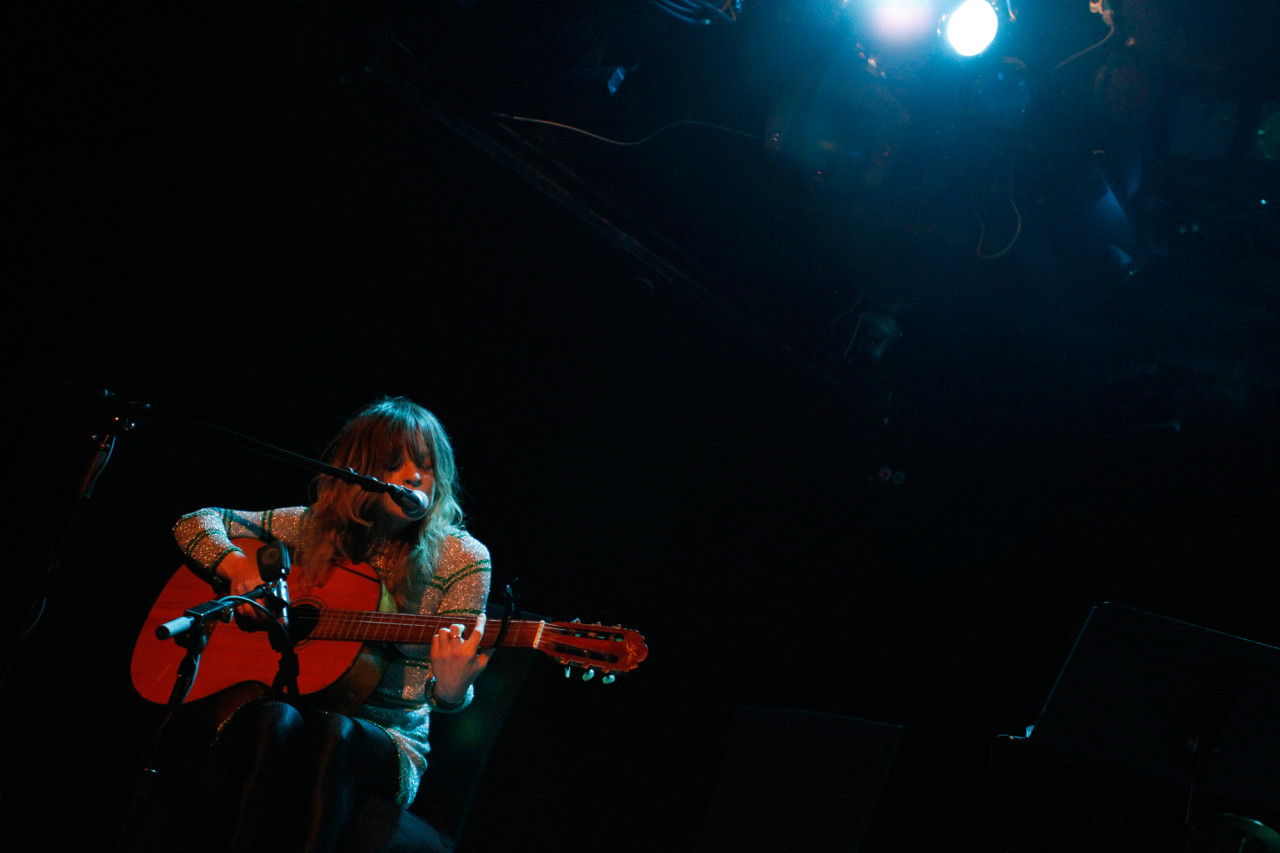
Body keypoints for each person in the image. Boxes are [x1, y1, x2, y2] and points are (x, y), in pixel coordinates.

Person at [167, 397, 491, 852]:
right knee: (273, 718)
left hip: (390, 739)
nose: (415, 476)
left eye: (428, 464)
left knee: (333, 732)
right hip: (288, 700)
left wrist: (452, 691)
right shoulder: (314, 528)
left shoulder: (462, 558)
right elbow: (196, 522)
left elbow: (448, 688)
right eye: (395, 464)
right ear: (360, 471)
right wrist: (237, 566)